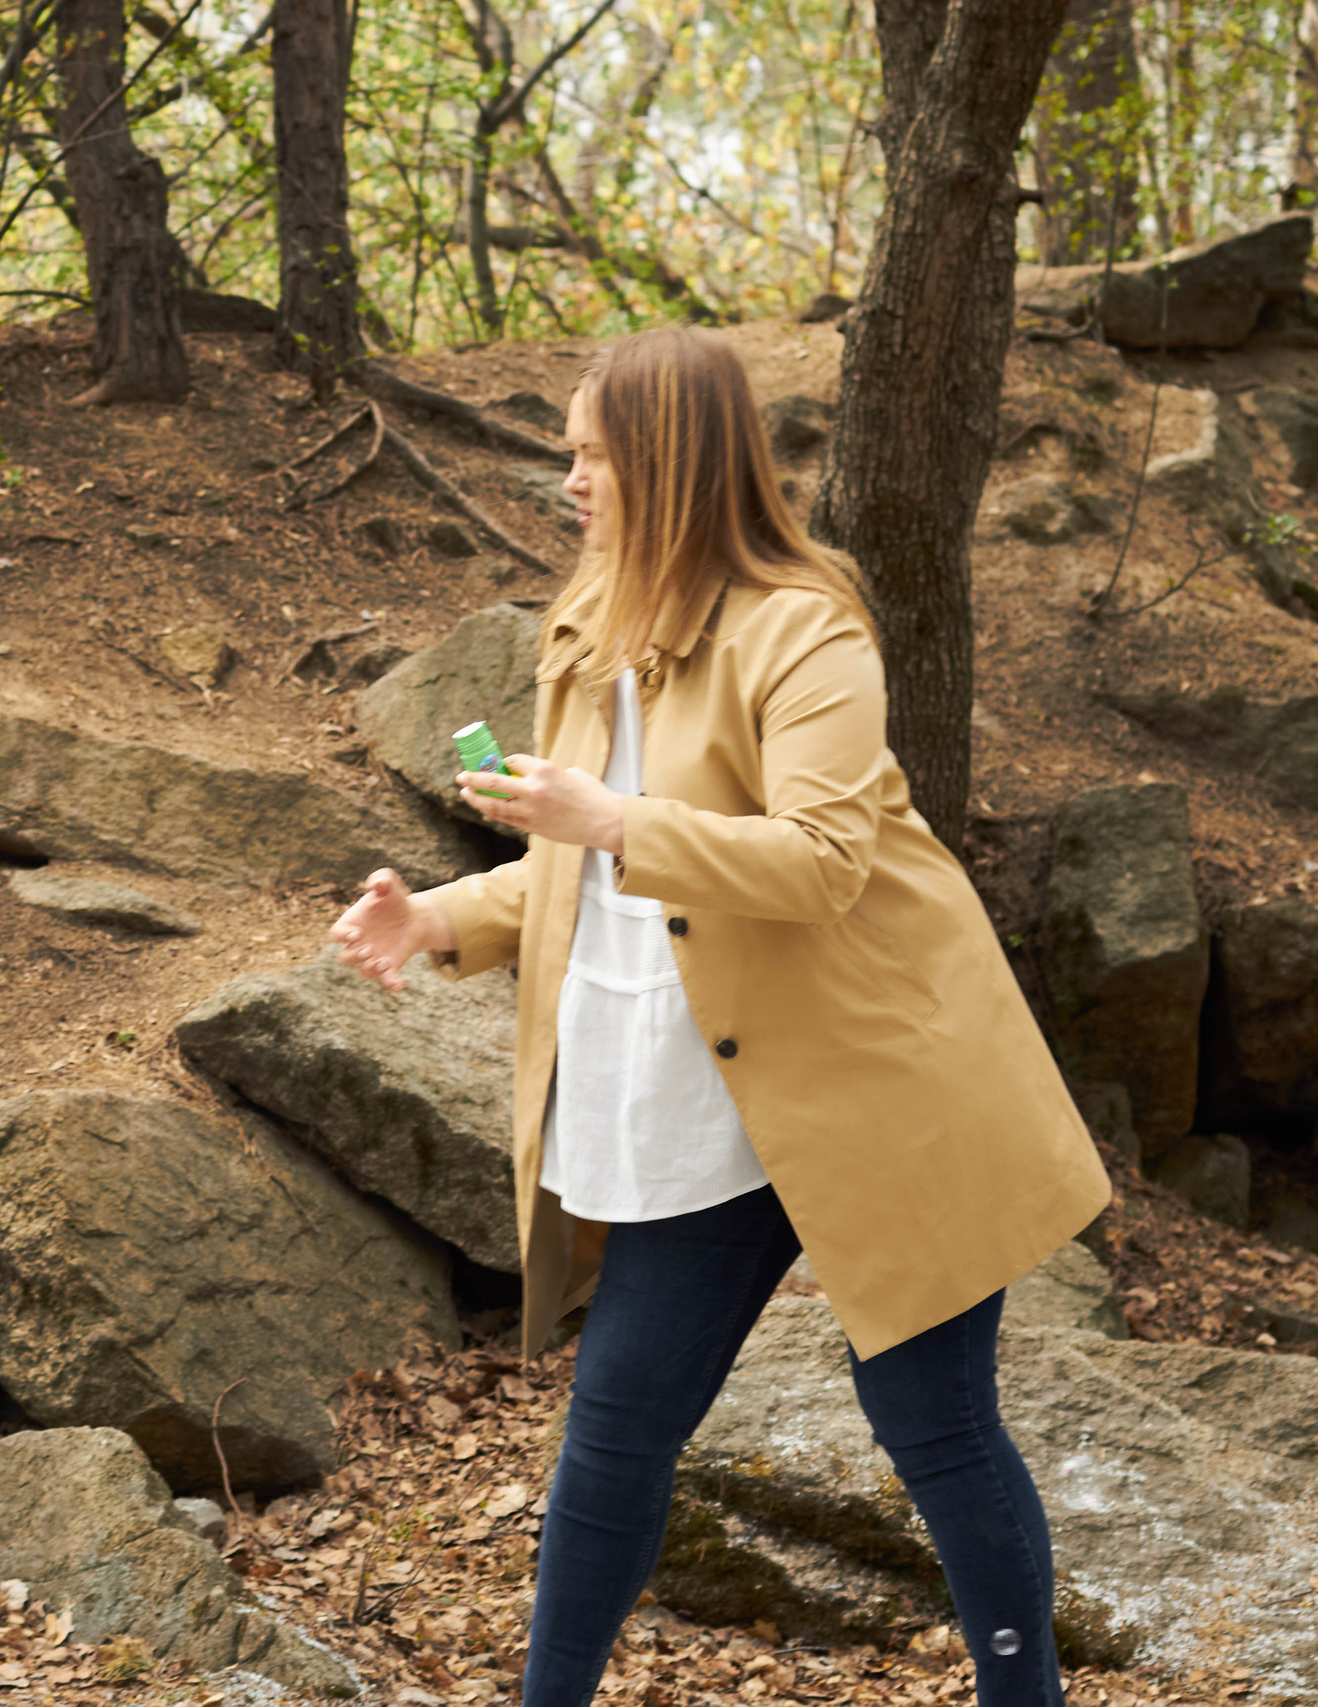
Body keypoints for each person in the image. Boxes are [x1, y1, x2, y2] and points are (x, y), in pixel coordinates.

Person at [329, 326, 1108, 1706]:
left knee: (931, 1423)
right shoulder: (584, 625)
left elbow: (822, 857)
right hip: (694, 1097)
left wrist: (616, 818)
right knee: (618, 1425)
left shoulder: (806, 626)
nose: (567, 478)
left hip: (878, 1086)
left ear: (669, 461)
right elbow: (579, 863)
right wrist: (440, 916)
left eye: (590, 454)